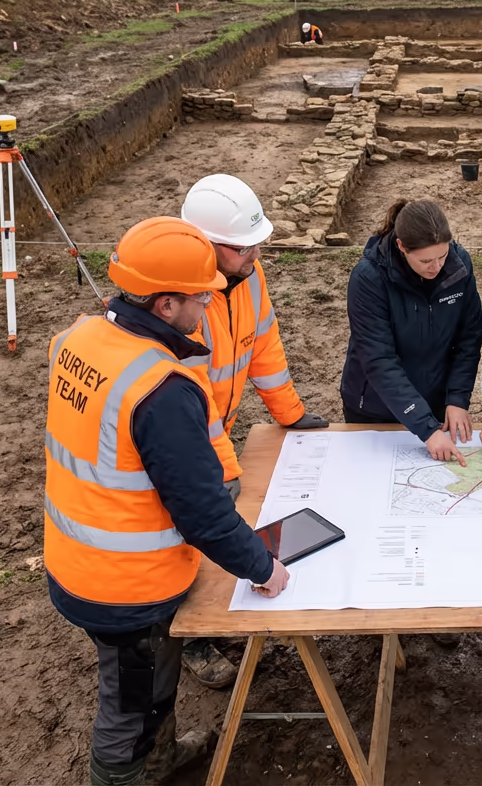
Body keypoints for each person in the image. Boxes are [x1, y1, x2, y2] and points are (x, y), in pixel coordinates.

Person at [44, 217, 289, 786]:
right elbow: (201, 509)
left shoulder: (78, 339)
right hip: (125, 586)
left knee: (150, 685)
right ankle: (127, 773)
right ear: (164, 306)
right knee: (128, 708)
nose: (209, 308)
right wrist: (261, 567)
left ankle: (160, 757)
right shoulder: (162, 388)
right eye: (201, 298)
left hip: (77, 558)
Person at [179, 174, 327, 687]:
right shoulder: (180, 304)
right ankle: (194, 635)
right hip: (186, 436)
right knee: (192, 528)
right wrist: (224, 467)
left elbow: (263, 347)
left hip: (218, 426)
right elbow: (190, 401)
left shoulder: (249, 278)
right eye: (245, 247)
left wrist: (290, 414)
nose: (258, 252)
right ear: (207, 246)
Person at [341, 199, 482, 464]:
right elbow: (379, 359)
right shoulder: (369, 278)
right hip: (375, 407)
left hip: (434, 400)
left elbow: (469, 338)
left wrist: (457, 398)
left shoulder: (459, 265)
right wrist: (426, 428)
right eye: (426, 260)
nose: (437, 266)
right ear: (402, 247)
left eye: (442, 256)